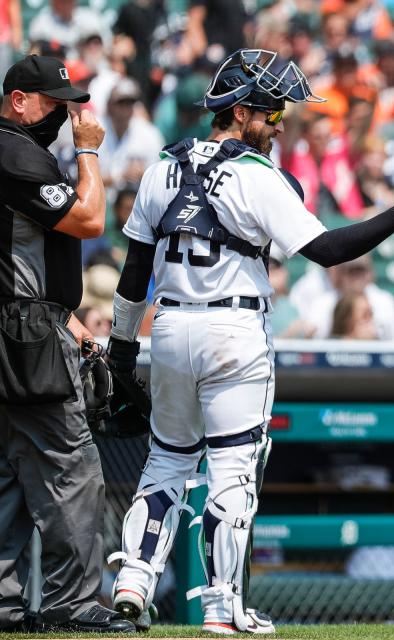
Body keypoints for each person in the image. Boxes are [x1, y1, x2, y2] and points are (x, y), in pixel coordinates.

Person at [105, 48, 394, 634]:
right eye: (272, 112)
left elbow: (134, 276)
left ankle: (134, 577)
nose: (279, 123)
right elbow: (329, 251)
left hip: (171, 327)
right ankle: (222, 609)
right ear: (241, 110)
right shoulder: (258, 176)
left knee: (165, 464)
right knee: (232, 470)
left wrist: (122, 351)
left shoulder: (161, 168)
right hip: (233, 330)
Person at [0, 55, 135, 633]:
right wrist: (88, 151)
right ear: (18, 100)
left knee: (7, 474)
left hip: (27, 321)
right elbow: (88, 220)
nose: (66, 113)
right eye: (54, 101)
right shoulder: (13, 150)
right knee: (72, 469)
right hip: (24, 337)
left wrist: (67, 317)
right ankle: (71, 603)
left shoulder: (14, 149)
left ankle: (4, 604)